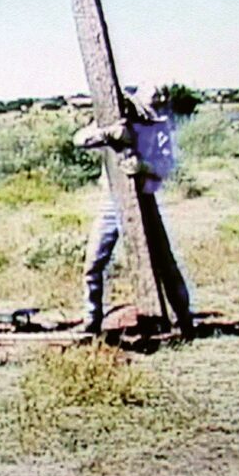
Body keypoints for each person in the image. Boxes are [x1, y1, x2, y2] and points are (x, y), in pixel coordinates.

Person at [73, 86, 194, 337]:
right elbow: (80, 139)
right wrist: (108, 133)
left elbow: (166, 165)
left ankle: (185, 320)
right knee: (94, 262)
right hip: (111, 201)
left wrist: (143, 166)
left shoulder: (158, 126)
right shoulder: (115, 119)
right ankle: (91, 320)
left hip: (144, 199)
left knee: (165, 264)